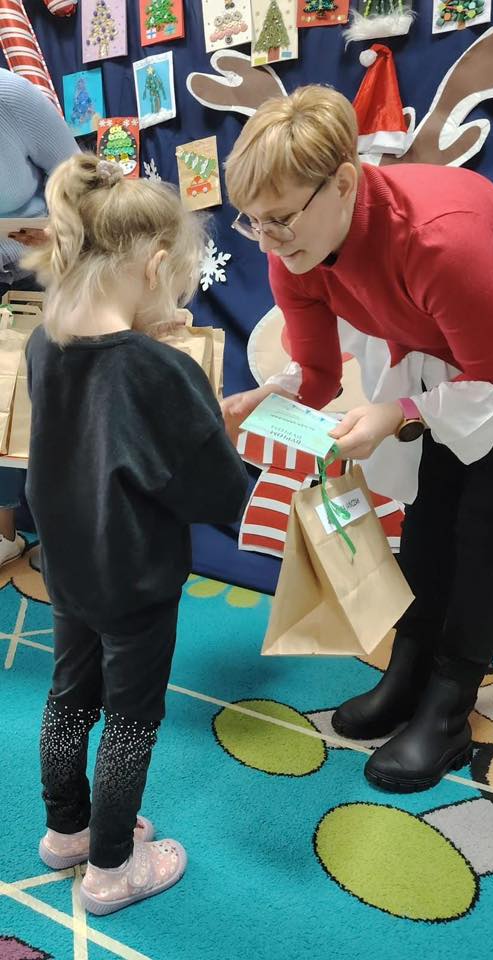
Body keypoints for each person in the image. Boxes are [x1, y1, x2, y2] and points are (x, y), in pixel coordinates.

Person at [222, 85, 493, 793]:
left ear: (343, 183)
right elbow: (318, 375)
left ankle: (449, 709)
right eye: (252, 222)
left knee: (489, 518)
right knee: (431, 510)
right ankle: (410, 670)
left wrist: (397, 413)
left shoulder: (436, 238)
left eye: (280, 219)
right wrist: (262, 401)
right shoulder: (292, 248)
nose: (267, 241)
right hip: (463, 339)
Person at [24, 153, 248, 914]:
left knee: (69, 696)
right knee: (130, 718)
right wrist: (217, 423)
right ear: (154, 265)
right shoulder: (161, 371)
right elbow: (217, 491)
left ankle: (67, 830)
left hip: (66, 566)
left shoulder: (43, 342)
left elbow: (96, 428)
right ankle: (113, 867)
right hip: (137, 577)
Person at [0, 67, 78, 567]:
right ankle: (5, 534)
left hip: (39, 265)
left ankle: (68, 539)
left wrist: (57, 230)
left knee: (54, 403)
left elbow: (82, 182)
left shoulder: (10, 96)